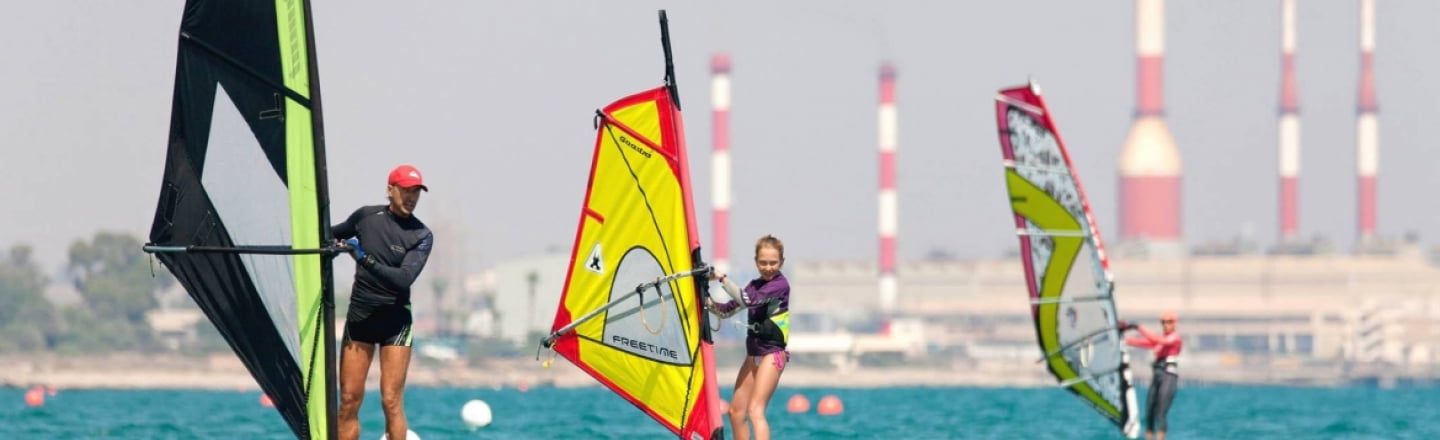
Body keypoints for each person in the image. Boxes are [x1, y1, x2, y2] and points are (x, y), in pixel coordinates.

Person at [333, 164, 434, 440]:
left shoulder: (421, 235)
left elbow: (403, 279)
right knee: (349, 400)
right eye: (406, 191)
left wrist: (362, 257)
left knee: (390, 400)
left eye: (416, 192)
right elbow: (332, 233)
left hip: (395, 322)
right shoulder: (366, 217)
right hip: (361, 318)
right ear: (390, 190)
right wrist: (330, 247)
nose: (411, 197)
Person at [707, 235, 791, 440]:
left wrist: (721, 278)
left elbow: (749, 301)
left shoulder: (780, 285)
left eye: (773, 263)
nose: (768, 267)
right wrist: (703, 295)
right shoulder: (754, 285)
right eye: (763, 262)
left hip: (773, 354)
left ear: (781, 262)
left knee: (755, 411)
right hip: (753, 354)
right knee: (736, 412)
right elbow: (726, 311)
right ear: (756, 262)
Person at [1119, 310, 1183, 440]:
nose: (1165, 325)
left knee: (1160, 412)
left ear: (1174, 324)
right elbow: (1143, 343)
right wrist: (1123, 336)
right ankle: (1149, 437)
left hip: (1168, 377)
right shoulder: (1161, 340)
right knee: (1149, 411)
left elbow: (1155, 339)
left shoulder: (1174, 338)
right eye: (1163, 322)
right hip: (1157, 376)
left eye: (1169, 322)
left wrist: (1138, 327)